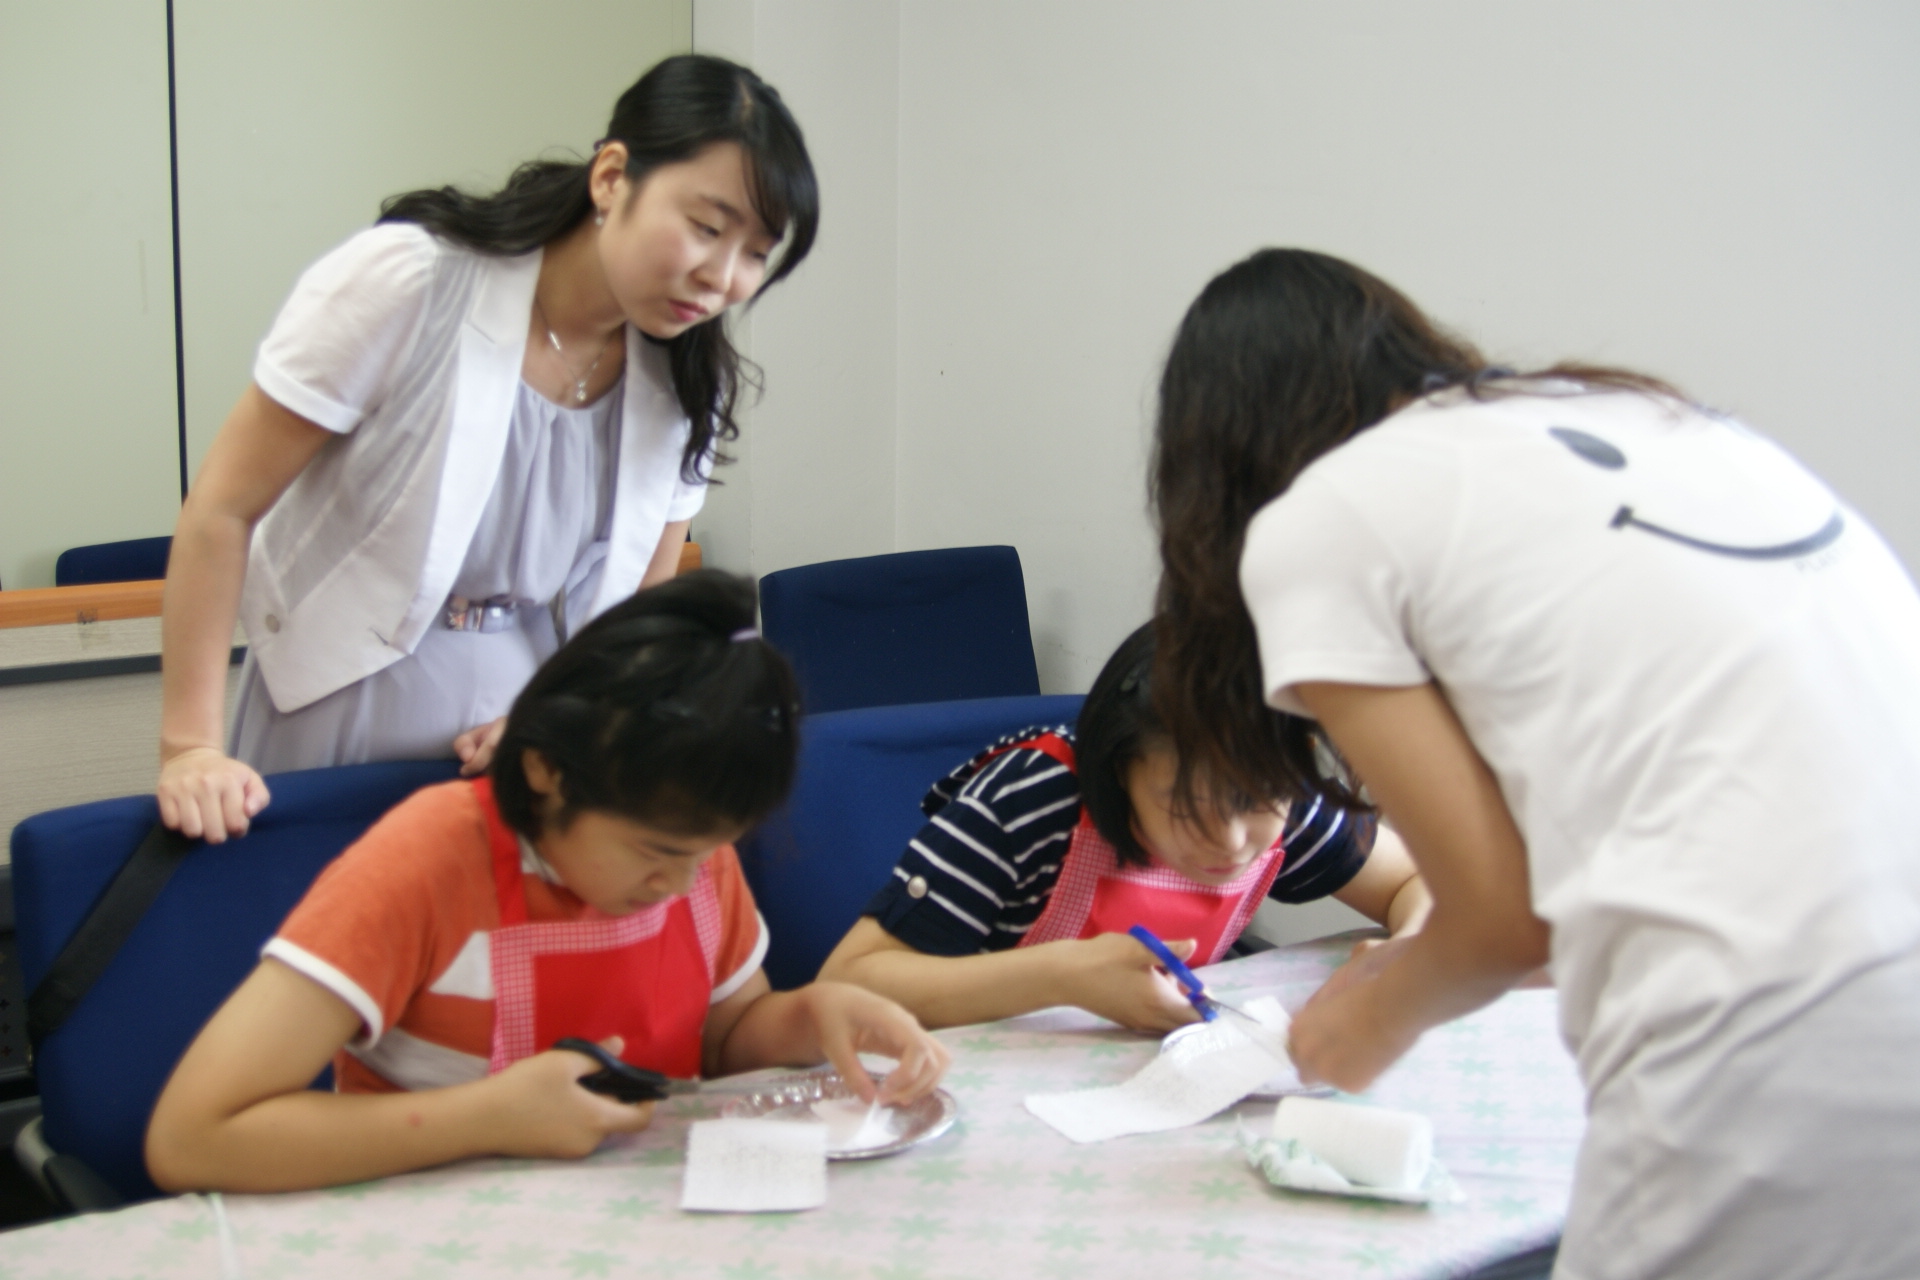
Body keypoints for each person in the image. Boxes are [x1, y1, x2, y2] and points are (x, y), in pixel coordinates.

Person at [1148, 248, 1920, 1279]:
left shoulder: (1321, 517)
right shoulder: (1649, 422)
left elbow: (1503, 919)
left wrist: (1364, 1024)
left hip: (1772, 1039)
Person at [157, 54, 819, 843]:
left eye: (756, 253)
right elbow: (222, 508)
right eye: (706, 228)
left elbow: (637, 620)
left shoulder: (686, 379)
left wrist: (564, 718)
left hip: (520, 743)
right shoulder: (412, 282)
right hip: (341, 707)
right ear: (612, 178)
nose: (722, 277)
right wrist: (189, 747)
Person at [145, 571, 949, 1193]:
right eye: (655, 852)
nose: (680, 885)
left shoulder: (693, 851)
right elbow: (192, 1138)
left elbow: (723, 1039)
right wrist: (485, 1119)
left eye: (708, 854)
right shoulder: (427, 861)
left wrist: (813, 1017)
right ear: (546, 770)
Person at [818, 622, 1429, 1030]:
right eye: (1184, 807)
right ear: (1118, 768)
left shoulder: (1284, 792)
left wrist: (1409, 950)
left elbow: (1415, 882)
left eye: (1256, 800)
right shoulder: (1031, 798)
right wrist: (1061, 978)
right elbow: (848, 982)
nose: (1229, 840)